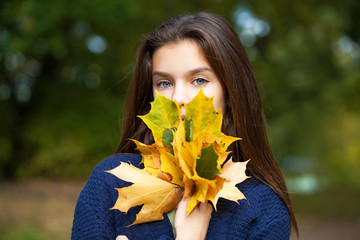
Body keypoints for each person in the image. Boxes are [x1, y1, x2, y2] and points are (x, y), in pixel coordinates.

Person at [72, 12, 298, 240]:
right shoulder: (109, 182)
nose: (178, 97)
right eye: (164, 83)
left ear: (230, 92)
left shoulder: (264, 209)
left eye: (199, 80)